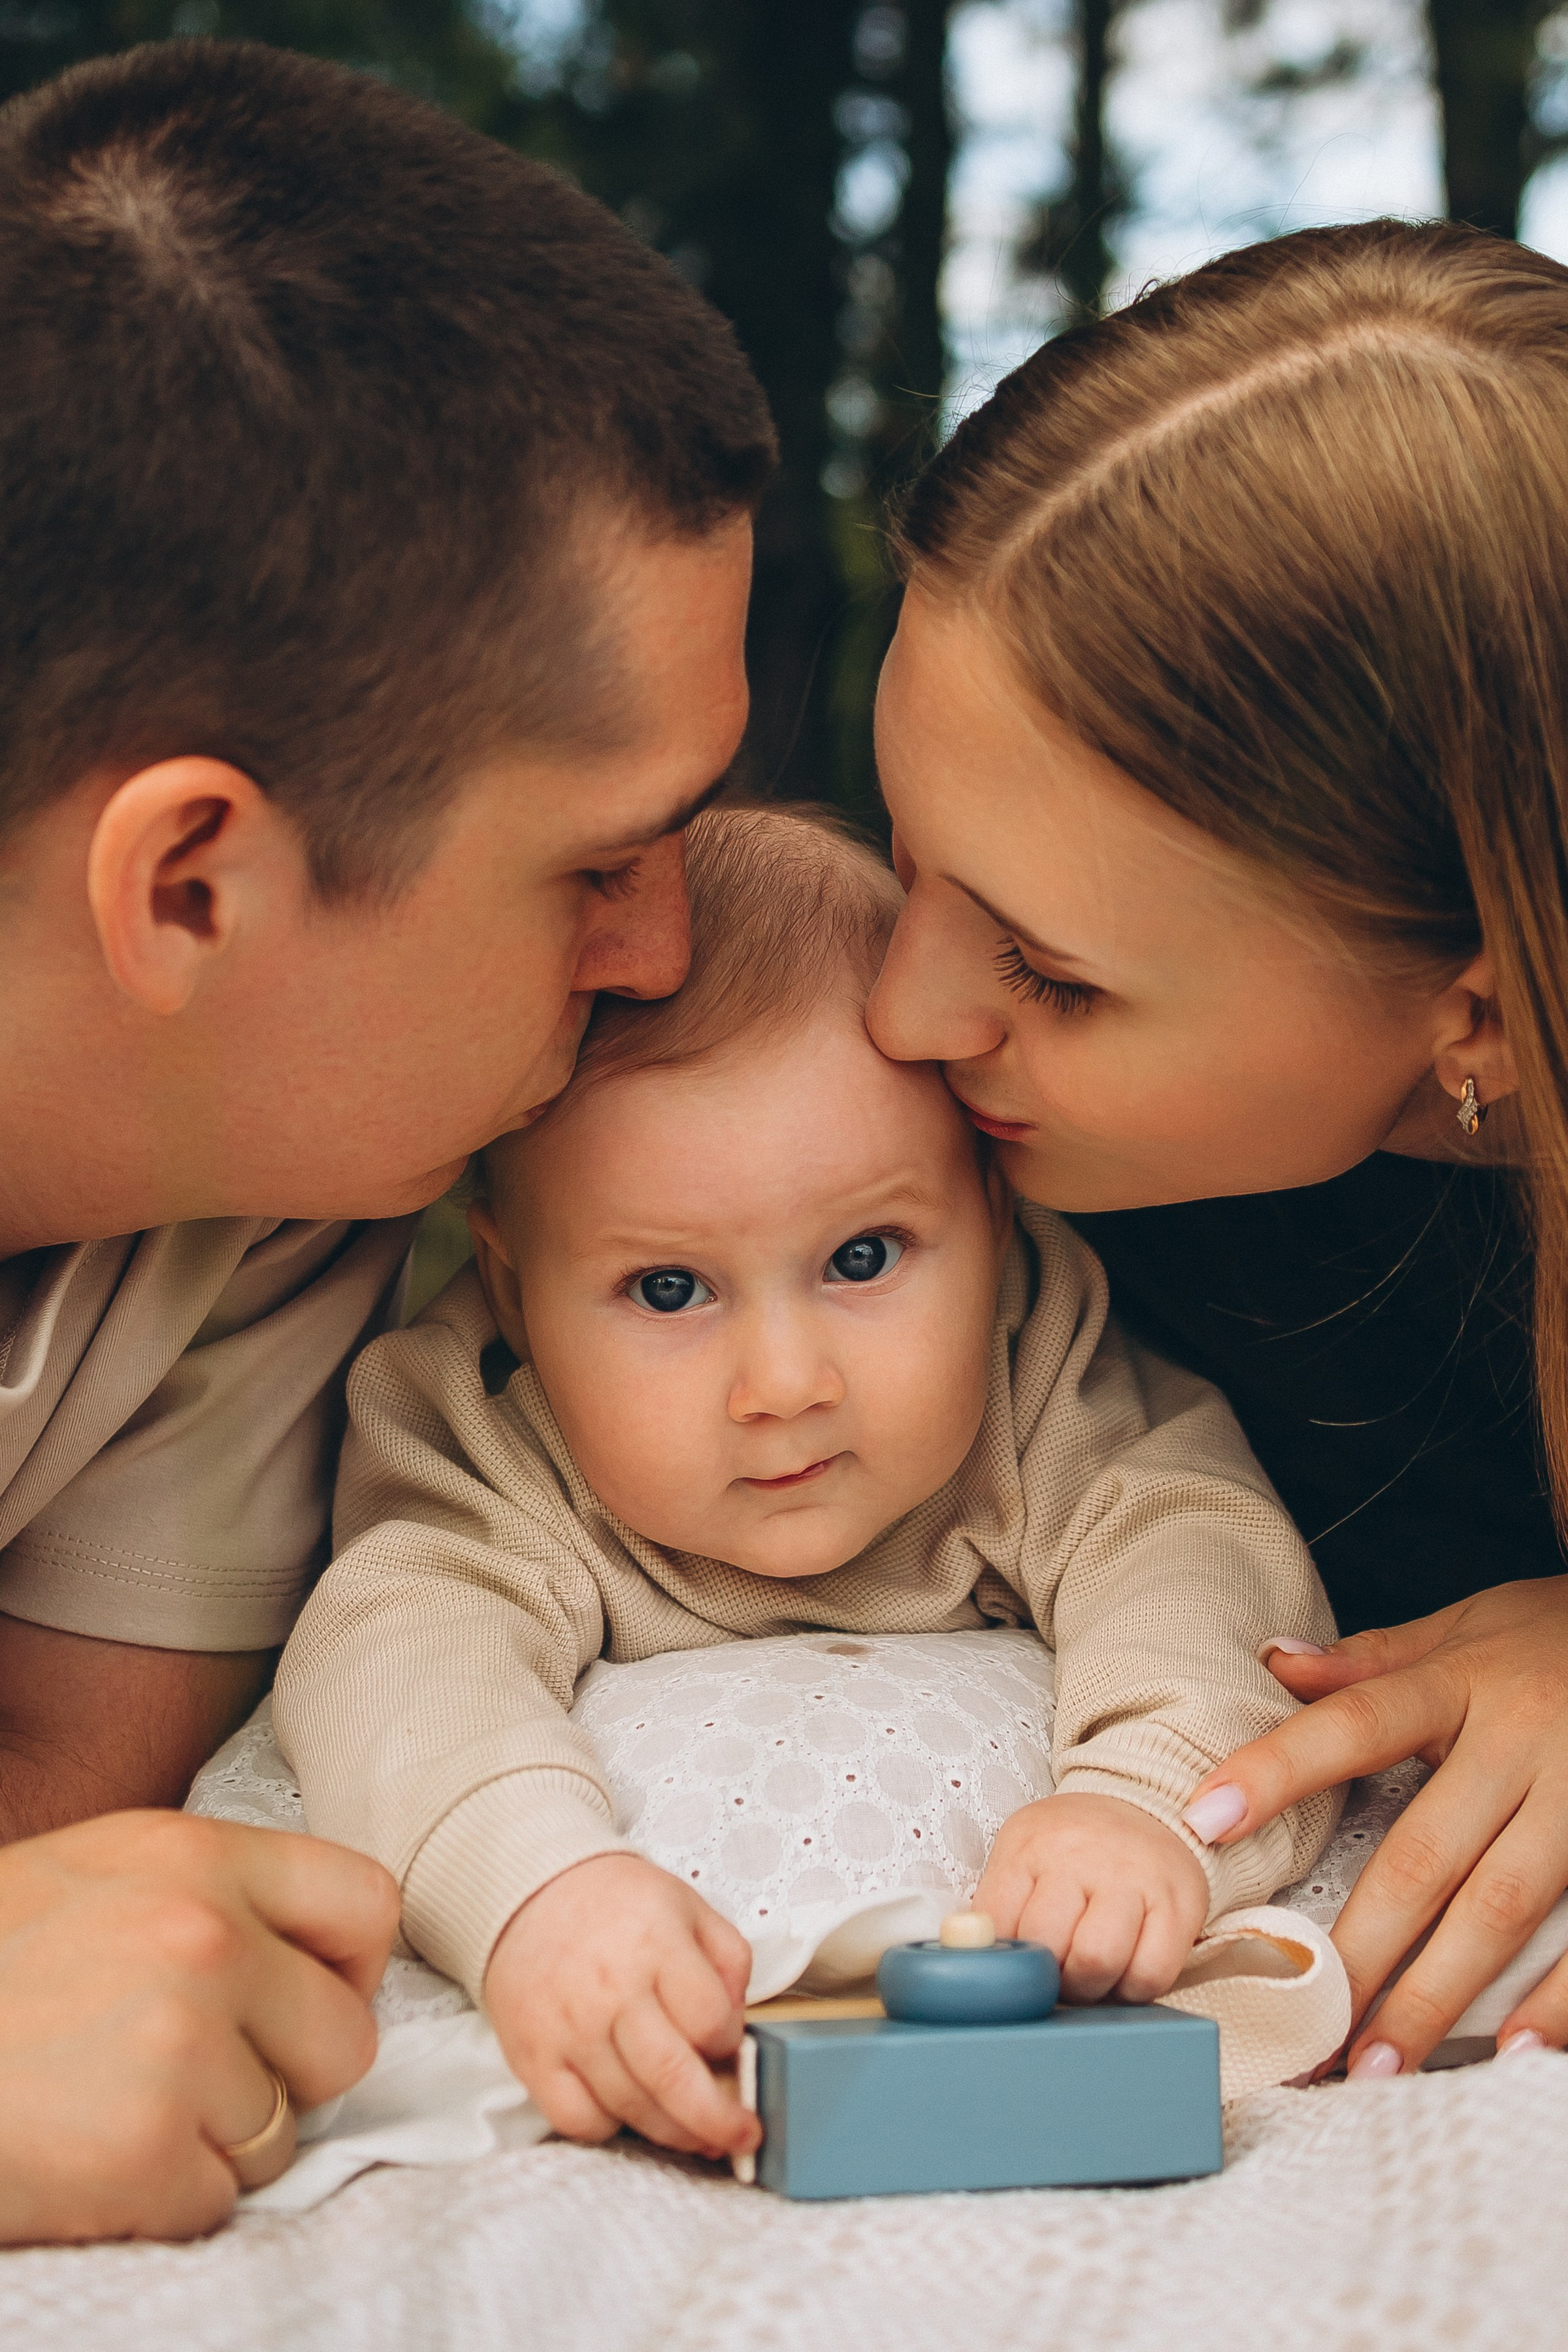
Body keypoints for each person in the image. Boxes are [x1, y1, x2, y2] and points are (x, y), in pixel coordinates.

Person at [0, 40, 773, 2240]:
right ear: (188, 891)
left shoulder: (266, 1188)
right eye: (600, 861)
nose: (668, 948)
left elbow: (52, 1809)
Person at [274, 807, 1335, 2164]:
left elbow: (1200, 1557)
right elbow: (398, 1656)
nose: (784, 1382)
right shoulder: (501, 1453)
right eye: (669, 1289)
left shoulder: (1042, 1396)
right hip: (651, 2036)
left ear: (998, 1229)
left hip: (1022, 2018)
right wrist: (536, 1890)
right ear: (513, 1292)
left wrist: (1141, 1805)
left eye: (864, 1257)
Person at [864, 216, 1568, 2085]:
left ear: (1478, 1016)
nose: (906, 1015)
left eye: (1047, 969)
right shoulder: (1022, 1189)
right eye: (903, 858)